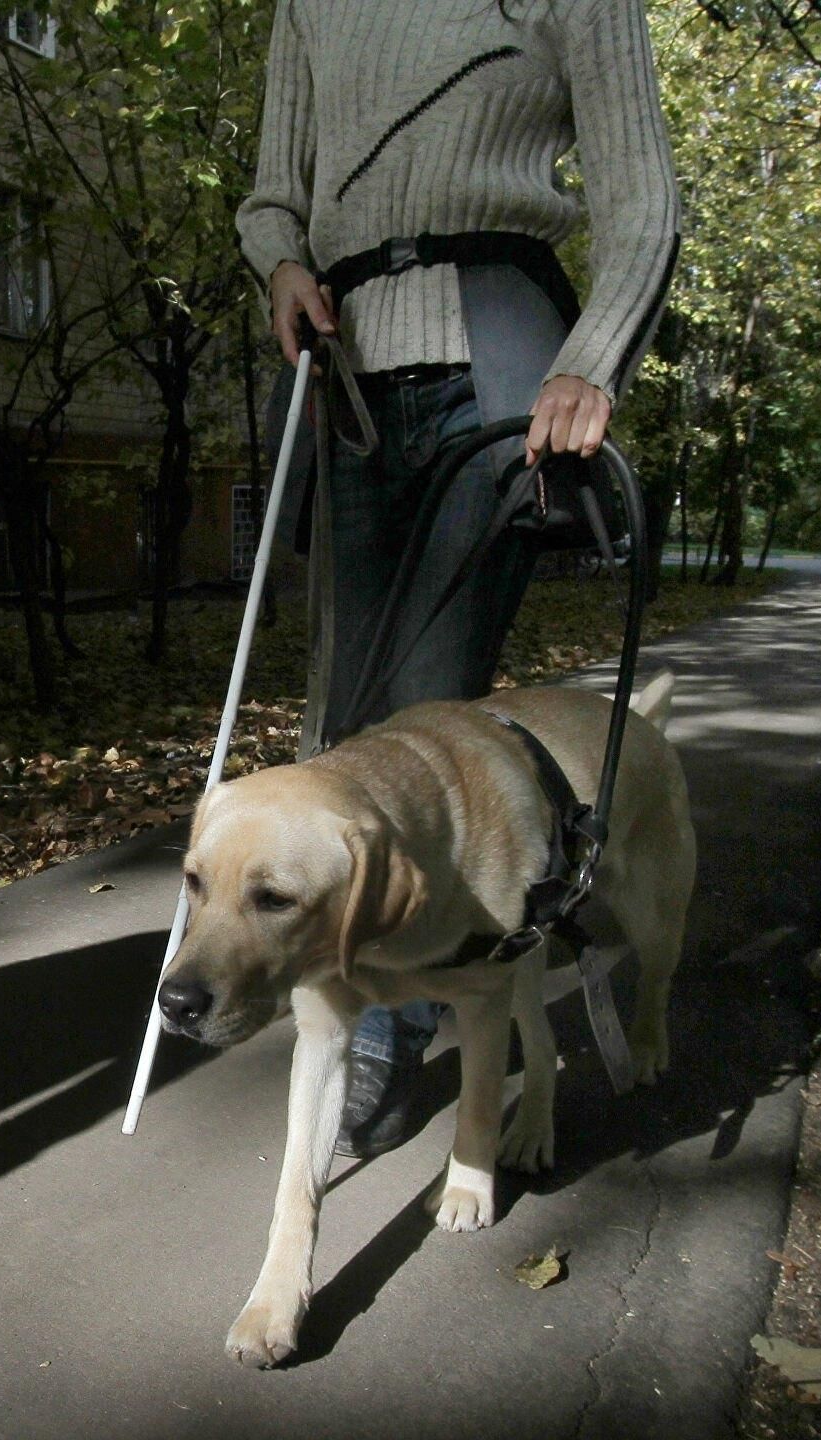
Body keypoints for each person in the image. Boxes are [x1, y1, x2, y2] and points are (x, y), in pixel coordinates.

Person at [234, 0, 680, 1157]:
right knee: (341, 720)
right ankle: (344, 988)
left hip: (500, 359)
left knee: (426, 707)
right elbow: (273, 191)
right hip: (349, 374)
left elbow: (643, 202)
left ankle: (387, 1019)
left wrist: (594, 358)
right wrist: (280, 261)